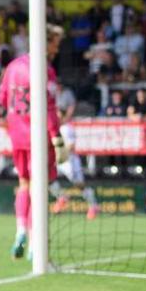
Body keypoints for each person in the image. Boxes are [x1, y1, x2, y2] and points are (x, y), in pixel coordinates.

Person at [0, 25, 66, 260]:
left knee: (24, 184)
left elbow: (3, 100)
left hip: (17, 134)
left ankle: (20, 233)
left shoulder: (13, 66)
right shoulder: (45, 69)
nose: (58, 47)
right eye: (56, 42)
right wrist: (56, 136)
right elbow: (49, 106)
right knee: (40, 188)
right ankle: (37, 243)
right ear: (46, 42)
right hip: (39, 135)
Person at [52, 85, 99, 220]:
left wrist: (58, 152)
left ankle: (93, 205)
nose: (55, 117)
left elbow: (71, 146)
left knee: (79, 185)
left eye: (57, 115)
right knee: (47, 179)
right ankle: (61, 197)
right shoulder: (53, 129)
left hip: (70, 161)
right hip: (59, 160)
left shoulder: (67, 128)